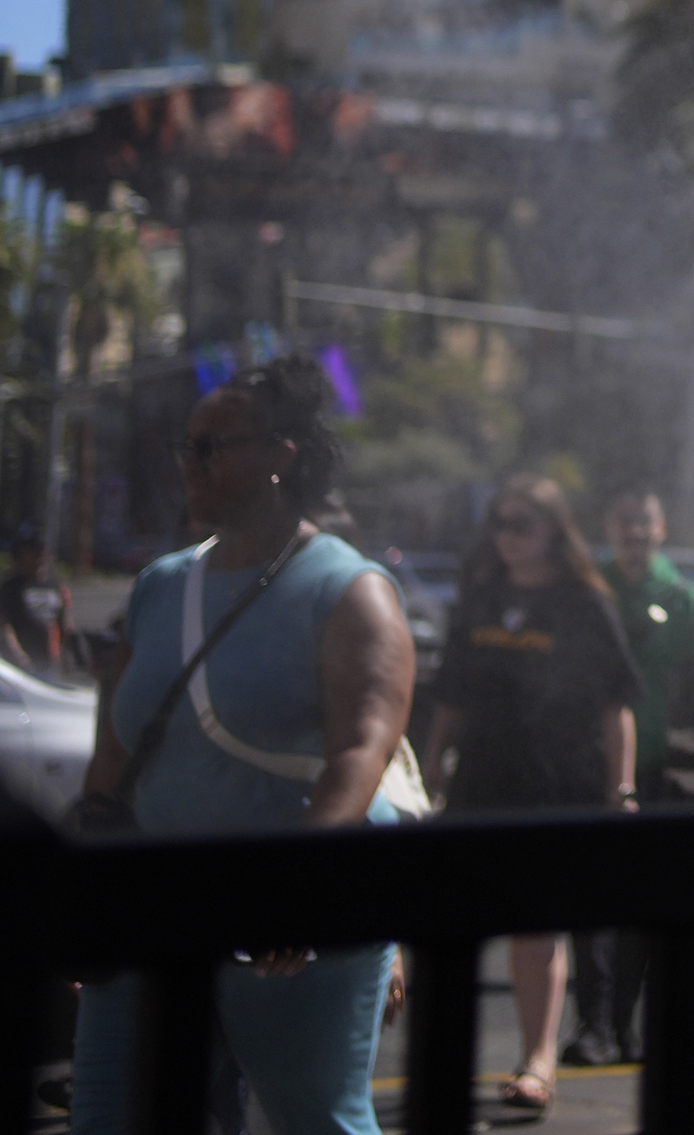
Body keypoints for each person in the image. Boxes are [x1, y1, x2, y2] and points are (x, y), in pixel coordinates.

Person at [67, 358, 418, 1135]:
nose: (189, 465)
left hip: (286, 913)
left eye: (212, 447)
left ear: (279, 456)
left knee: (312, 1121)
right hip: (154, 903)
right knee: (108, 1116)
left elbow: (361, 751)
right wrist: (90, 880)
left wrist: (297, 886)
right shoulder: (162, 586)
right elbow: (118, 745)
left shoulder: (348, 590)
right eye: (185, 447)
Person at [425, 475, 642, 1117]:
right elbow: (451, 694)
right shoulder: (481, 596)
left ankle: (537, 1060)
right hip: (480, 783)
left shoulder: (585, 602)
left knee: (536, 924)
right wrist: (432, 761)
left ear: (553, 530)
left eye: (522, 523)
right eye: (500, 523)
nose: (508, 536)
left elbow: (616, 705)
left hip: (556, 783)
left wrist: (622, 789)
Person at [564, 487, 694, 1071]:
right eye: (624, 520)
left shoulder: (687, 602)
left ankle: (628, 1026)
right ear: (607, 525)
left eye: (644, 521)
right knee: (593, 909)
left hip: (662, 776)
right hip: (592, 773)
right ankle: (595, 1025)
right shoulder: (586, 591)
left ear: (661, 527)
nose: (634, 531)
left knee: (648, 911)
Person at [0, 531, 75, 675]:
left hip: (50, 659)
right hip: (23, 660)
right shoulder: (10, 587)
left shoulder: (55, 585)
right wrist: (17, 654)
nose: (40, 556)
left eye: (42, 551)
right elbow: (4, 625)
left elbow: (65, 623)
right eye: (34, 551)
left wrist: (68, 653)